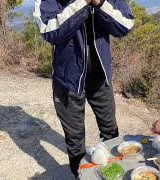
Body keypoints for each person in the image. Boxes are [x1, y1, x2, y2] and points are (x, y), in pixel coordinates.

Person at [33, 0, 134, 177]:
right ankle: (80, 175)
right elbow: (48, 30)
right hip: (68, 80)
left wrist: (100, 3)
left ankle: (114, 174)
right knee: (75, 139)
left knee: (110, 131)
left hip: (100, 76)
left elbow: (125, 25)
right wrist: (83, 3)